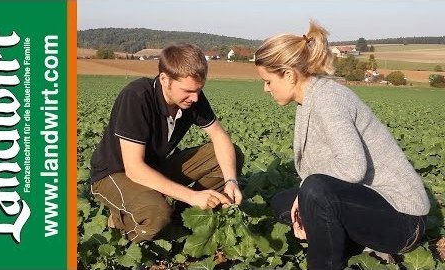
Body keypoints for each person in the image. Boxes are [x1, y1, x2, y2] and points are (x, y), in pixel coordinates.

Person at [254, 22, 430, 269]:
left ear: (289, 74)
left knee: (313, 191)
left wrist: (307, 195)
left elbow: (352, 167)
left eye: (268, 81)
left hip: (402, 220)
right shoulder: (309, 100)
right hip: (368, 203)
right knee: (283, 202)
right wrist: (304, 199)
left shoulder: (328, 99)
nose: (265, 88)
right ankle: (351, 244)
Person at [89, 43, 244, 243]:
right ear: (164, 79)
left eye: (199, 90)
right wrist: (191, 196)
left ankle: (184, 217)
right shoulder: (137, 97)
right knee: (156, 216)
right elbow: (134, 169)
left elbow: (219, 136)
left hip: (154, 168)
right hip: (114, 174)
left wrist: (231, 181)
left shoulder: (193, 97)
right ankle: (117, 225)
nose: (195, 98)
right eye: (188, 90)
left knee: (233, 154)